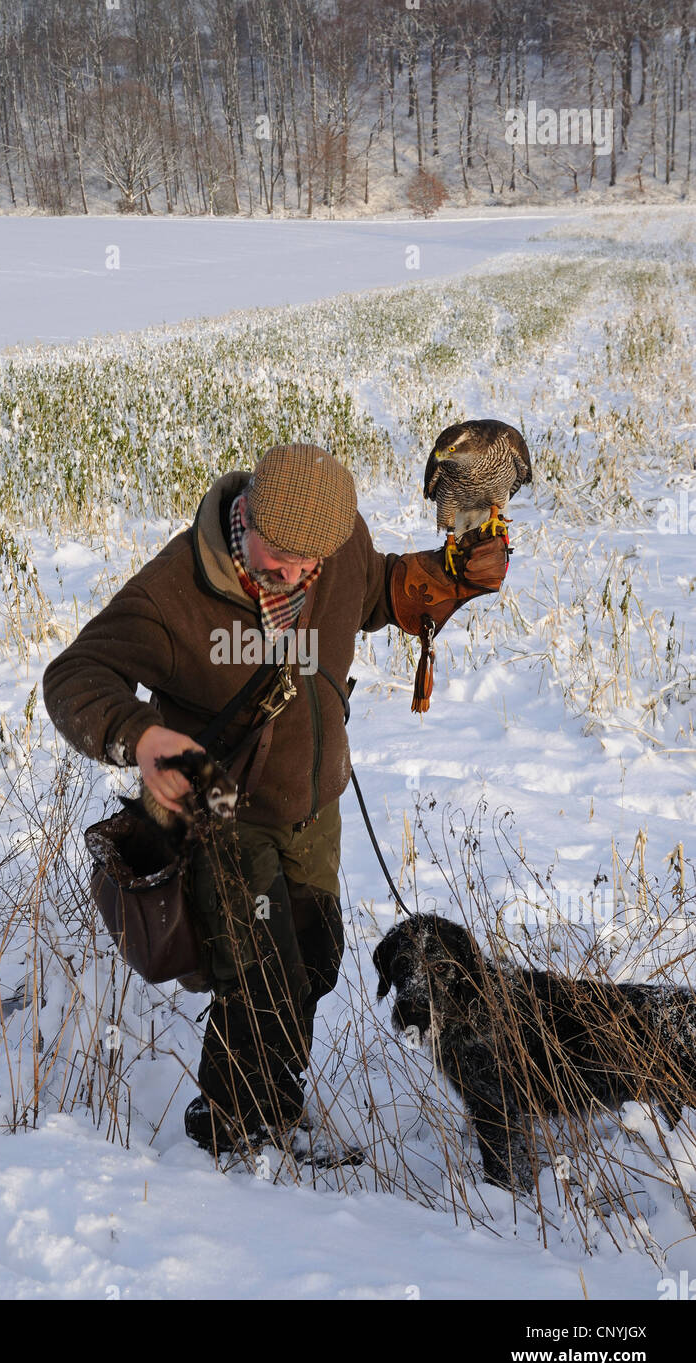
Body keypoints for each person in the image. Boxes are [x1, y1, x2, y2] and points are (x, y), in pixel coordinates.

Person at [42, 443, 509, 1156]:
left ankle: (273, 1101)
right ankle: (232, 1127)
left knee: (315, 959)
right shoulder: (174, 590)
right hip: (219, 810)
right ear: (248, 515)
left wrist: (445, 576)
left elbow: (374, 591)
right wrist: (141, 736)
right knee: (261, 974)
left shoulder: (339, 545)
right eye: (278, 558)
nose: (293, 574)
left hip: (312, 804)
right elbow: (74, 675)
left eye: (308, 565)